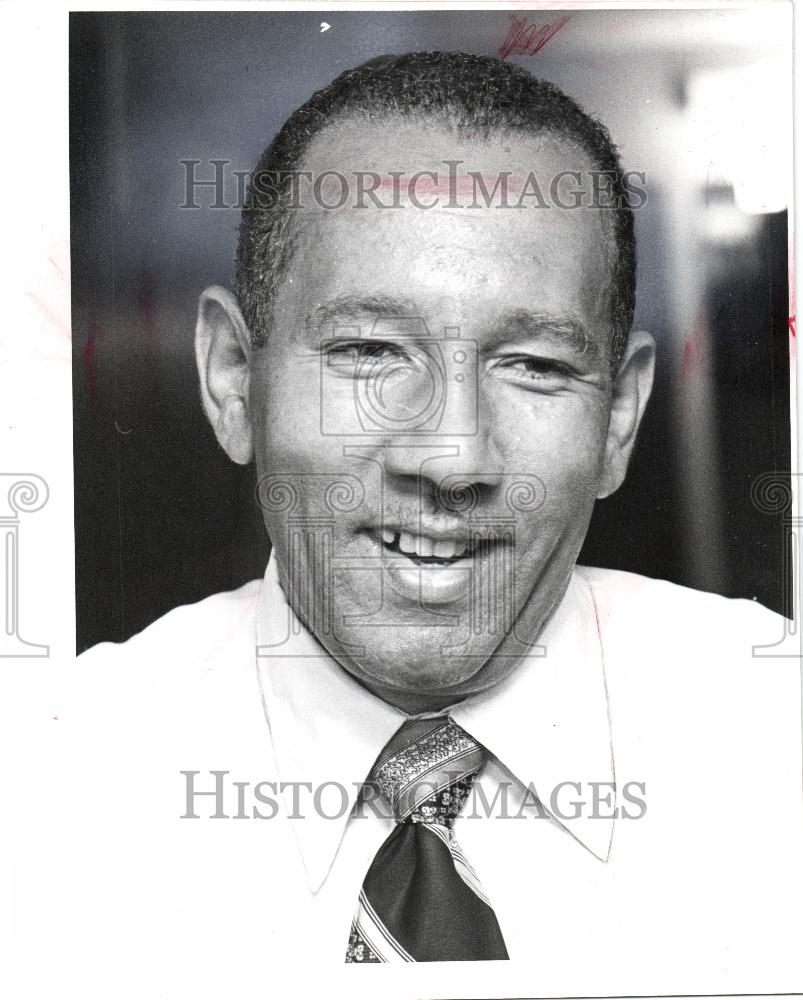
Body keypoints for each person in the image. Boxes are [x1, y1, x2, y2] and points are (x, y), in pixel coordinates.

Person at [49, 51, 800, 997]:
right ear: (234, 378)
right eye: (367, 350)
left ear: (618, 418)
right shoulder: (48, 785)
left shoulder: (777, 738)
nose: (451, 457)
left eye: (533, 365)